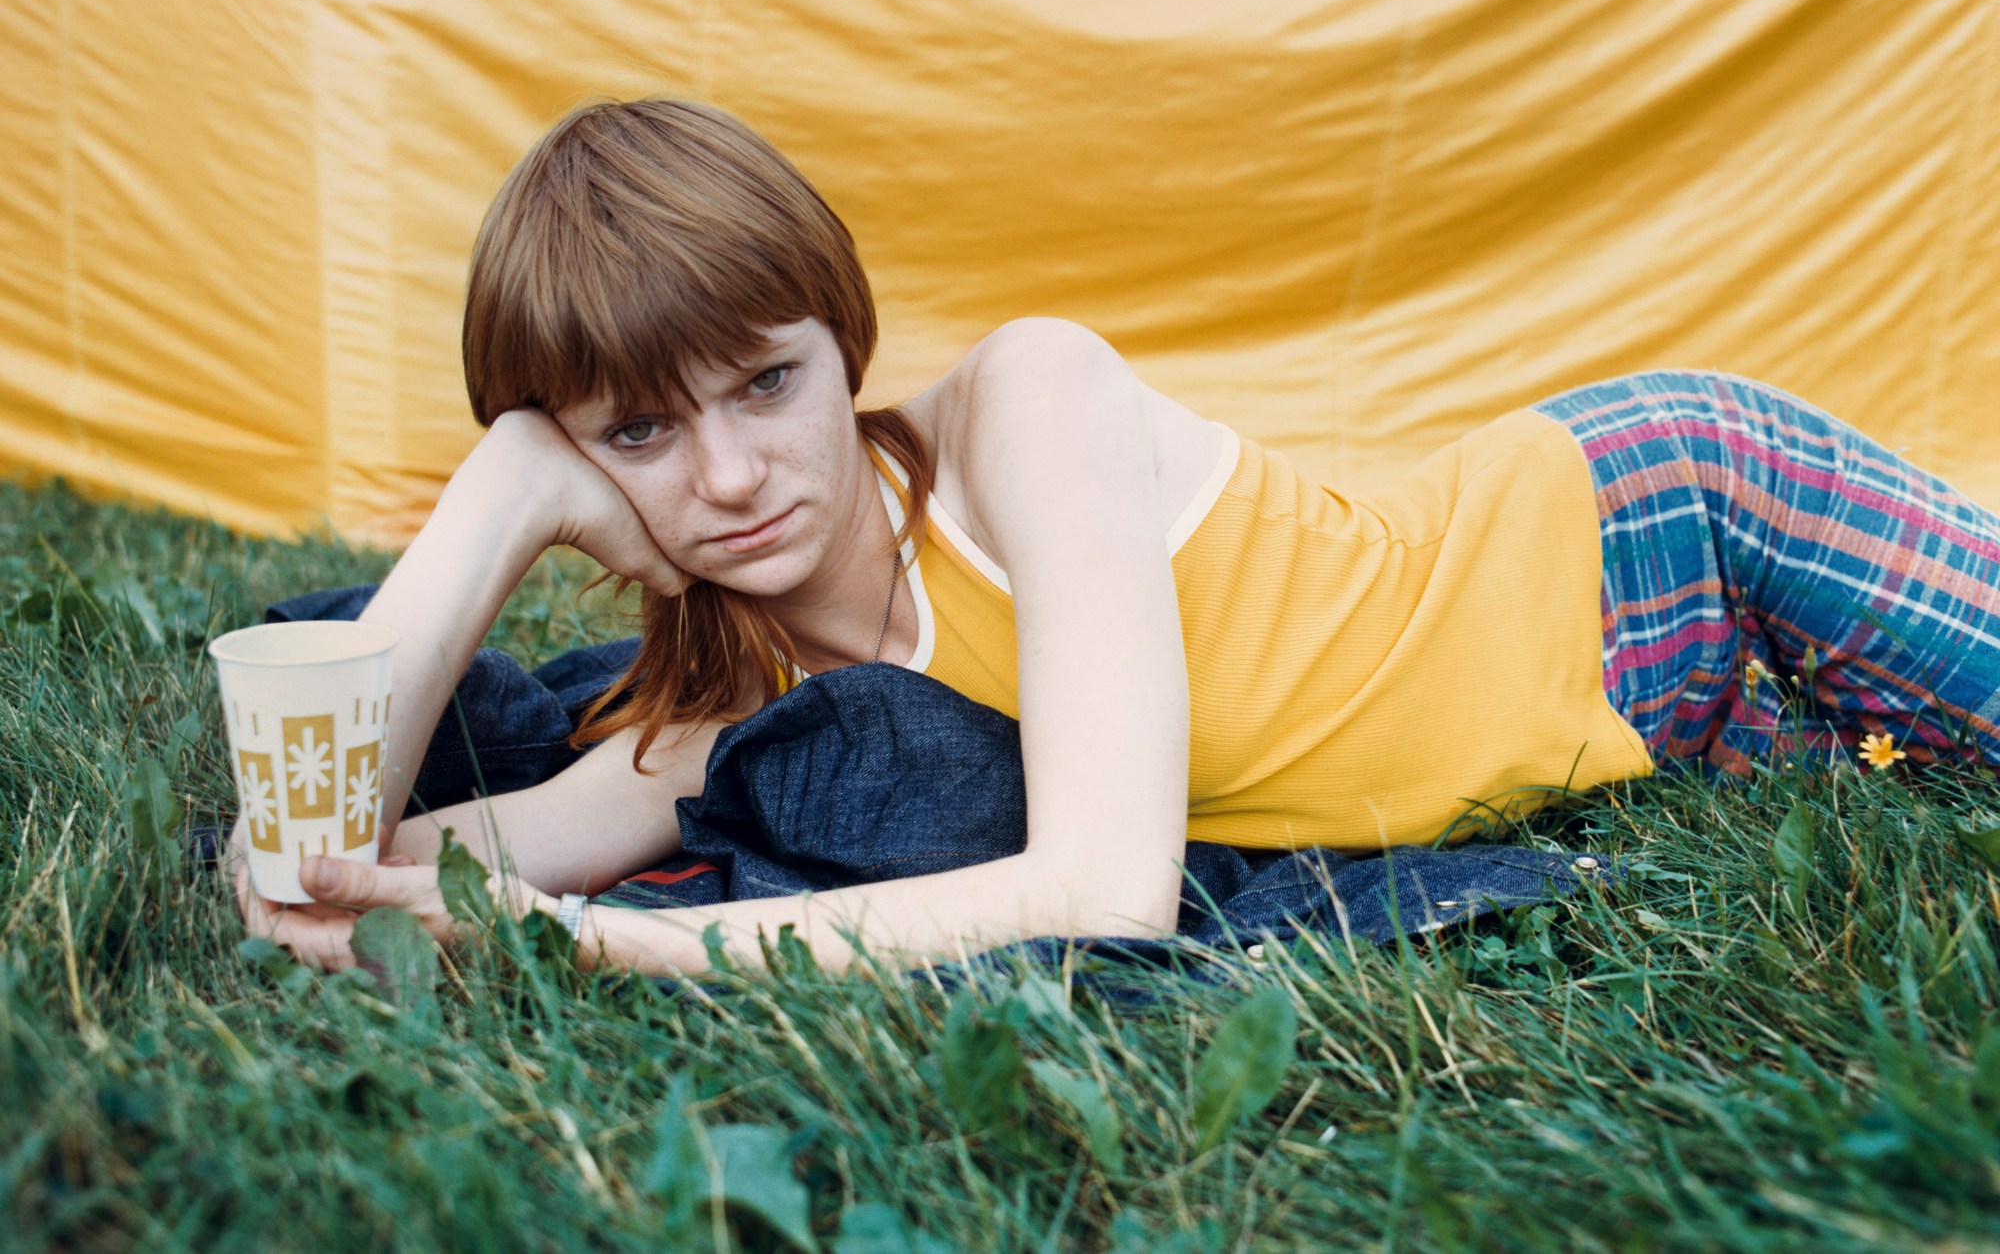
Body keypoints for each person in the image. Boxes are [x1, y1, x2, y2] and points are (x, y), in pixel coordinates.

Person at [231, 98, 2000, 975]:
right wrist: (509, 491)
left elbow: (1105, 895)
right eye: (639, 435)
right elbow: (342, 855)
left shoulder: (1029, 410)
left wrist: (602, 939)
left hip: (1661, 529)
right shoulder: (742, 690)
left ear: (843, 337)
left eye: (764, 384)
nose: (728, 477)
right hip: (1627, 740)